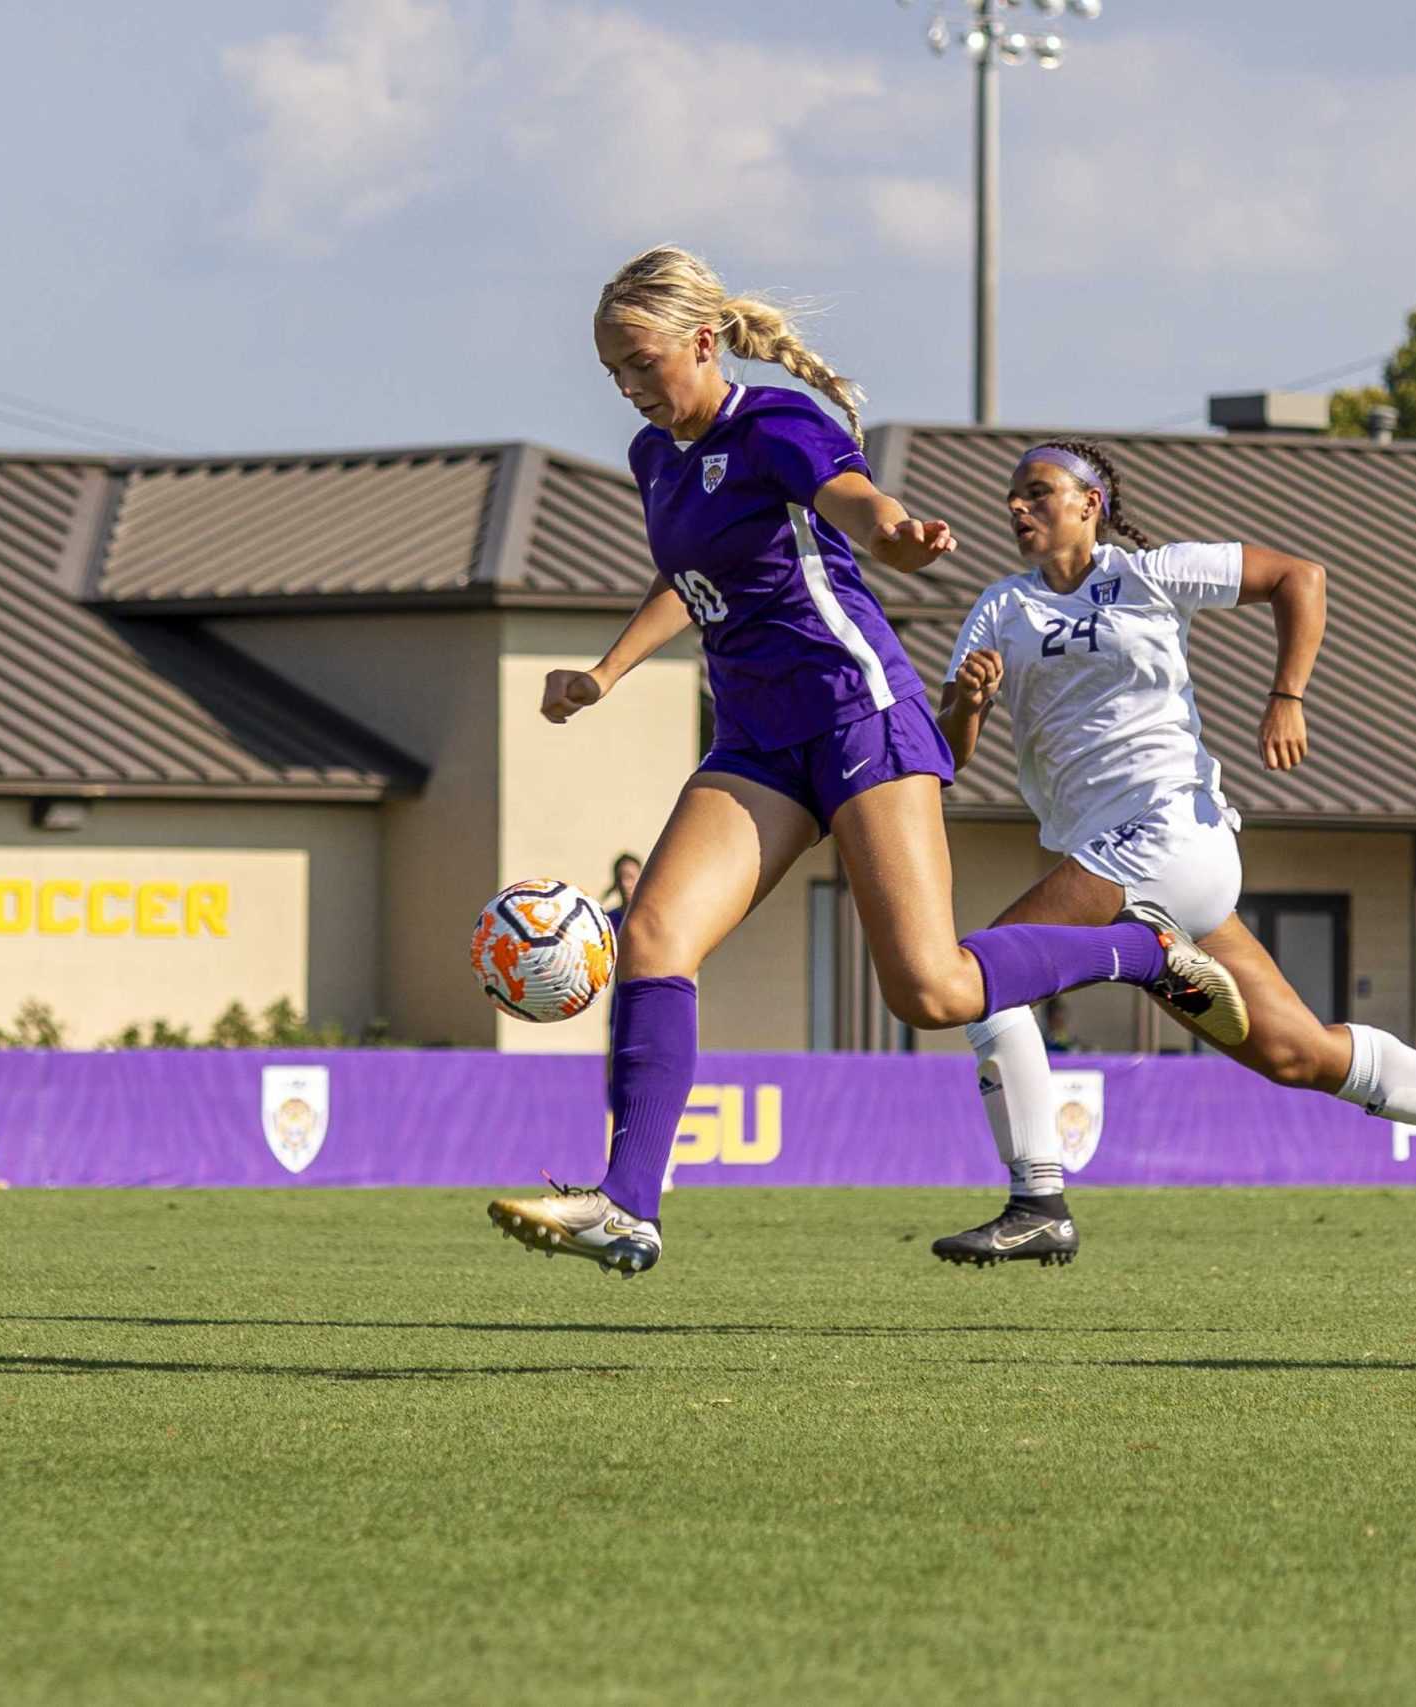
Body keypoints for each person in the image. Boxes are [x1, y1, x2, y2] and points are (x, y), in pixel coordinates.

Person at [486, 247, 1251, 1276]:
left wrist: (898, 536)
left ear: (703, 343)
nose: (626, 389)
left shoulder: (774, 424)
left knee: (931, 990)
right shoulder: (654, 457)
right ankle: (627, 1204)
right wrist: (605, 675)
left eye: (639, 363)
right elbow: (693, 578)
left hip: (858, 715)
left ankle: (1143, 952)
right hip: (756, 739)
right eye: (611, 373)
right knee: (656, 935)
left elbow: (855, 505)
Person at [927, 438, 1416, 1270]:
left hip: (1171, 832)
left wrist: (1287, 698)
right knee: (1298, 1053)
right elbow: (951, 757)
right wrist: (969, 702)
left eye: (1039, 493)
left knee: (981, 977)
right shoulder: (998, 611)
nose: (1018, 508)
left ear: (1090, 503)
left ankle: (1039, 1200)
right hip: (1141, 865)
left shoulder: (1151, 573)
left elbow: (1299, 577)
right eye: (1012, 497)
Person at [602, 852, 643, 927]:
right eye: (619, 878)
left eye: (630, 877)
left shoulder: (652, 918)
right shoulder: (608, 921)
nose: (624, 883)